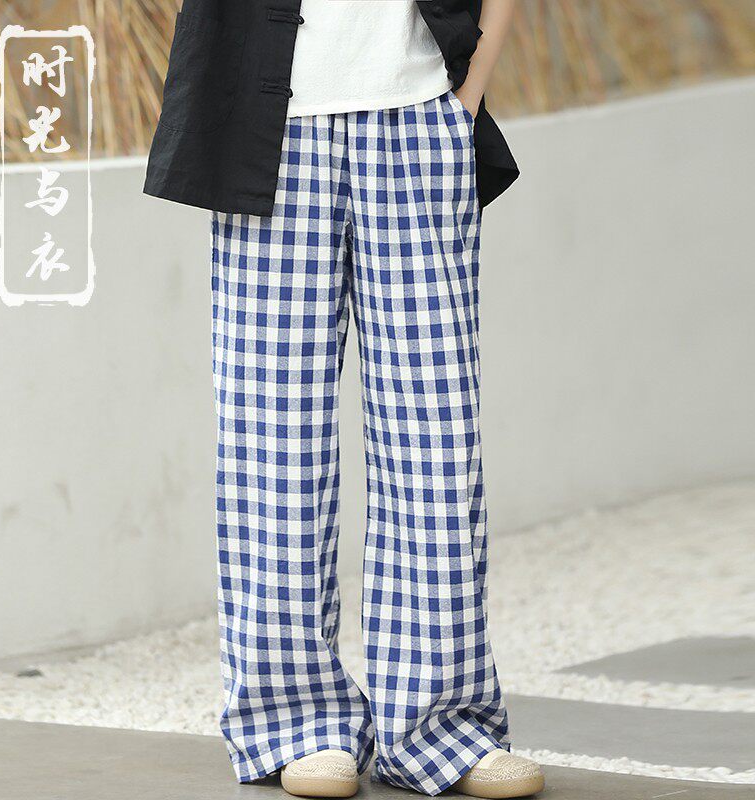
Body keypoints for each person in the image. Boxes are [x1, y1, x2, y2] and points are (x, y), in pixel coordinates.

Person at [144, 1, 543, 798]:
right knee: (274, 444)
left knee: (435, 440)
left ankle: (440, 727)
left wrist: (464, 103)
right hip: (269, 132)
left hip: (418, 120)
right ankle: (295, 722)